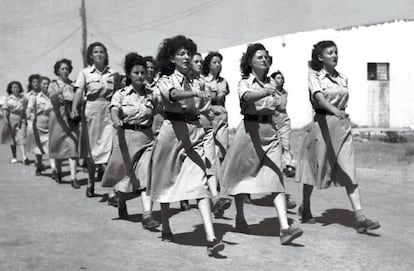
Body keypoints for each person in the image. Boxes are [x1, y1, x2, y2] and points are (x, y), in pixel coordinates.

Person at [220, 43, 303, 245]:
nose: (264, 60)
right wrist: (266, 92)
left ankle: (284, 228)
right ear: (250, 62)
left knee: (276, 178)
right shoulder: (245, 82)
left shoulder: (274, 83)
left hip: (270, 132)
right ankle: (240, 217)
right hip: (249, 132)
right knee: (241, 177)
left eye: (266, 57)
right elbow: (246, 97)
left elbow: (279, 111)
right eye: (259, 57)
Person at [150, 35, 225, 257]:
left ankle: (211, 238)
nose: (186, 57)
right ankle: (165, 225)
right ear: (172, 58)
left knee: (200, 182)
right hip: (171, 132)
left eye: (188, 53)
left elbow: (203, 107)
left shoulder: (198, 82)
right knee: (166, 181)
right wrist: (193, 93)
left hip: (193, 133)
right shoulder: (165, 80)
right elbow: (172, 95)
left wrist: (210, 110)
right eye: (181, 54)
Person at [296, 40, 380, 233]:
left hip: (342, 128)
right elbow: (318, 97)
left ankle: (360, 217)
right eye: (330, 53)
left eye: (336, 52)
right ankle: (306, 206)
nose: (334, 55)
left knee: (348, 168)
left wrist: (339, 112)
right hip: (322, 126)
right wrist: (333, 109)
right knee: (314, 169)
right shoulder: (315, 78)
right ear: (320, 57)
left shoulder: (343, 78)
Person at [101, 53, 160, 230]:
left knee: (145, 176)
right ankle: (120, 200)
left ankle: (147, 215)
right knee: (124, 177)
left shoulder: (152, 94)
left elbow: (160, 111)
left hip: (146, 139)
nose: (141, 76)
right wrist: (116, 119)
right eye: (136, 73)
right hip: (125, 138)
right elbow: (114, 109)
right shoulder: (121, 94)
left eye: (143, 72)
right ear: (129, 74)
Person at [72, 42, 117, 197]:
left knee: (110, 150)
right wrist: (73, 109)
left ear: (106, 54)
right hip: (92, 113)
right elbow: (78, 92)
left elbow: (118, 93)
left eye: (101, 52)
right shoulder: (85, 73)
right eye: (95, 52)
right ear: (91, 55)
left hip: (109, 111)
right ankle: (91, 183)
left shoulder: (113, 73)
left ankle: (112, 190)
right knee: (93, 151)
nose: (99, 54)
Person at [48, 58, 80, 187]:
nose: (65, 71)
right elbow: (51, 96)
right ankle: (58, 171)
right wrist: (61, 90)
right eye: (62, 69)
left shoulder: (73, 84)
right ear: (57, 70)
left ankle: (73, 177)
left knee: (73, 145)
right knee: (58, 145)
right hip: (57, 116)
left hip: (70, 115)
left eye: (67, 69)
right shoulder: (54, 83)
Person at [270, 71, 297, 177]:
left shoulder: (285, 92)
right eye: (278, 78)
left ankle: (289, 165)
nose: (280, 80)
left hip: (284, 118)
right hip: (272, 119)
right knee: (274, 144)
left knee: (286, 143)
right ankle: (275, 167)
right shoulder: (270, 91)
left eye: (281, 78)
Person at [26, 76, 53, 175]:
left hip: (51, 125)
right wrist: (28, 114)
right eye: (44, 84)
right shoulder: (35, 97)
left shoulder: (52, 97)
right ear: (40, 85)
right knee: (38, 147)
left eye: (48, 83)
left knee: (51, 147)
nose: (46, 85)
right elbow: (29, 108)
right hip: (38, 125)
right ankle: (39, 165)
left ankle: (54, 169)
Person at [0, 81, 29, 164]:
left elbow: (26, 108)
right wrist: (5, 119)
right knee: (12, 138)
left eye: (17, 87)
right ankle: (14, 156)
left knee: (22, 136)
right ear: (10, 89)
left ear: (20, 88)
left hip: (22, 118)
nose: (16, 89)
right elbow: (5, 110)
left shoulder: (24, 98)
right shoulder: (8, 99)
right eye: (14, 87)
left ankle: (24, 157)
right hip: (11, 118)